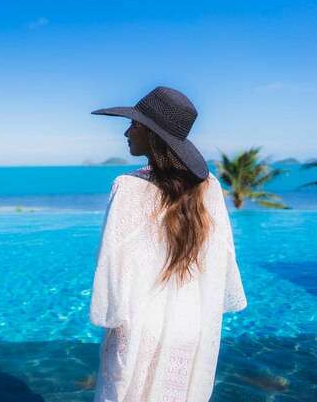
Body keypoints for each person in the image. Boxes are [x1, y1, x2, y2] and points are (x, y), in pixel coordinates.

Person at [88, 86, 247, 402]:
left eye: (133, 124)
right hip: (191, 326)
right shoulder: (208, 188)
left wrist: (110, 326)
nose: (126, 132)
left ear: (150, 132)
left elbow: (111, 268)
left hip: (139, 328)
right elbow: (223, 259)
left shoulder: (127, 187)